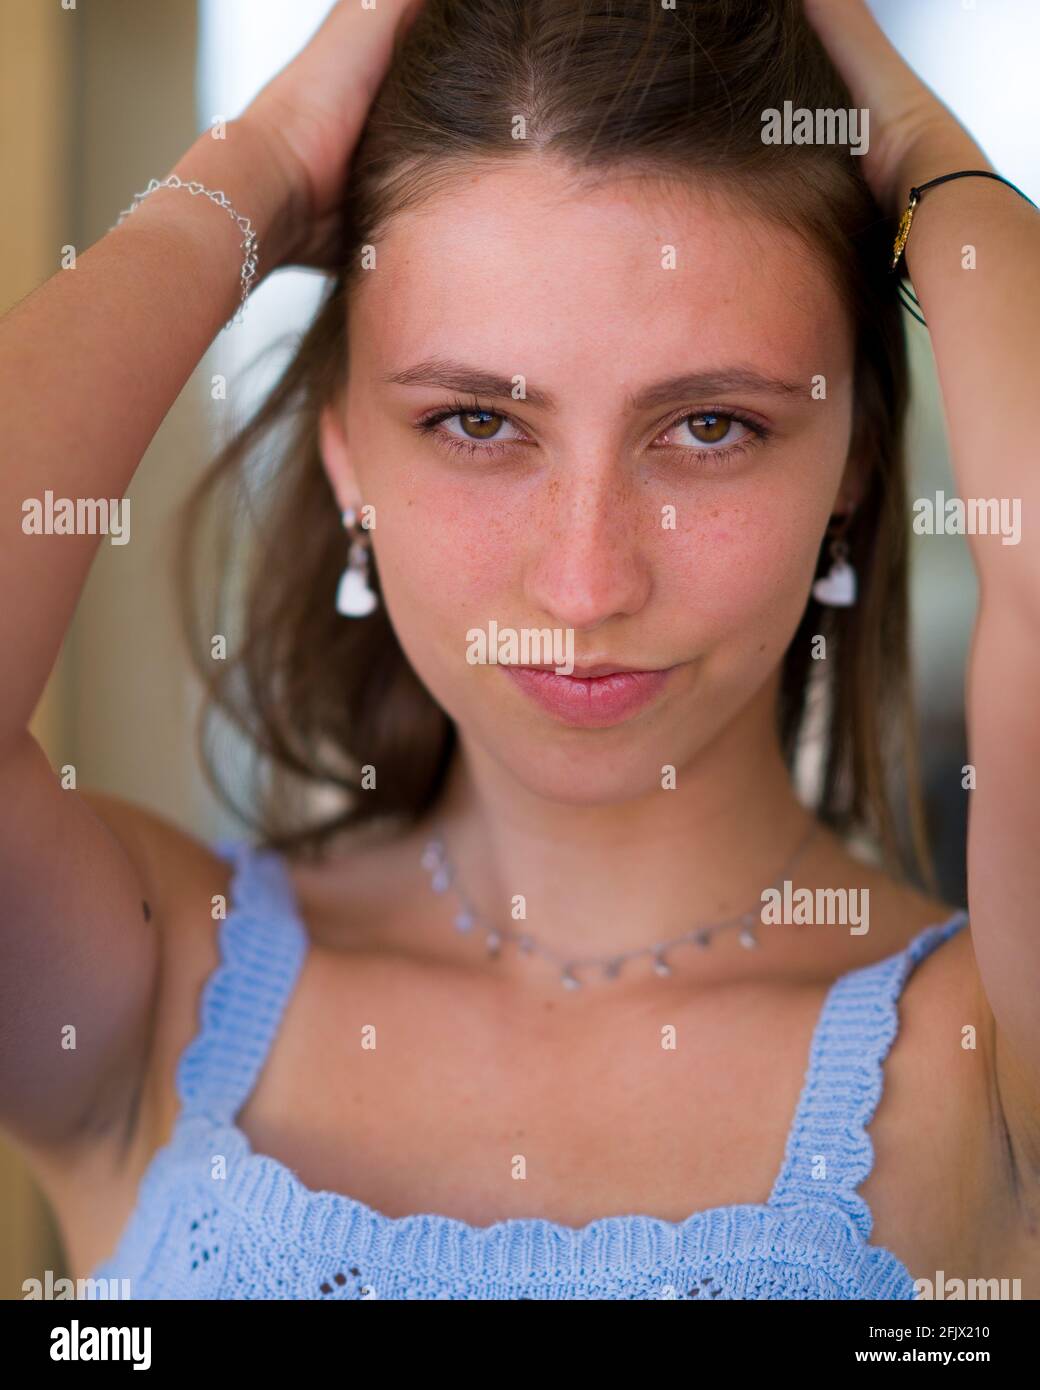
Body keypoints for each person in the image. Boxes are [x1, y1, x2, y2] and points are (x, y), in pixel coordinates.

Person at [1, 0, 1037, 1300]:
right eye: (478, 421)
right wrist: (243, 175)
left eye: (711, 424)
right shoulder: (157, 992)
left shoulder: (989, 1072)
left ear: (856, 463)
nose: (586, 580)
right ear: (343, 454)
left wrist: (941, 174)